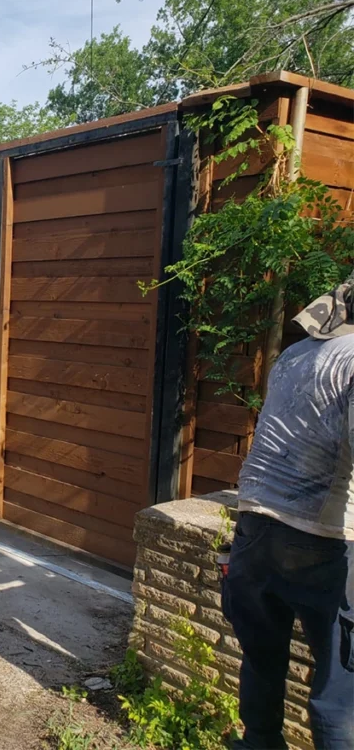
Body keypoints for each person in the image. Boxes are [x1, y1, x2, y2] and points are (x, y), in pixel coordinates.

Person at [226, 281, 354, 749]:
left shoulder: (295, 355)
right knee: (340, 689)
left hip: (256, 526)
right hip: (327, 537)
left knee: (262, 658)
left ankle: (258, 742)